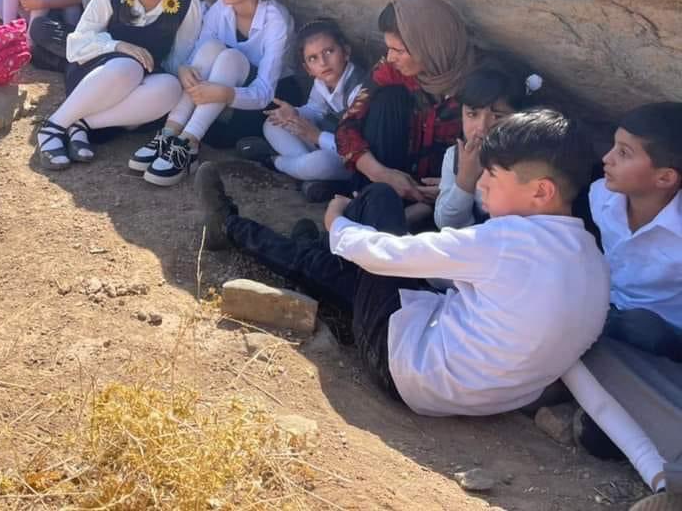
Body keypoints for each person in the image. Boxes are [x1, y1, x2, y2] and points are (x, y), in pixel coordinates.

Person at [195, 109, 610, 417]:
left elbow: (387, 255)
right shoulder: (592, 258)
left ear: (540, 191)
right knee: (352, 277)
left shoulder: (507, 239)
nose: (481, 184)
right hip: (468, 389)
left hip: (406, 364)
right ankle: (239, 230)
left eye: (492, 177)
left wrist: (337, 222)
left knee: (379, 201)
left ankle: (264, 233)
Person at [131, 0, 298, 187]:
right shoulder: (221, 9)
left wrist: (226, 95)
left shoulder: (276, 20)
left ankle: (188, 143)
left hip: (261, 106)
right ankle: (171, 133)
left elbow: (265, 92)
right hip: (213, 100)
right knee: (211, 49)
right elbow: (200, 54)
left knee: (231, 57)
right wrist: (186, 69)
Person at [35, 0, 203, 170]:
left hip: (136, 95)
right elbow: (76, 45)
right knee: (128, 65)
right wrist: (119, 46)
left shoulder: (186, 5)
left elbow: (177, 60)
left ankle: (81, 124)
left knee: (171, 86)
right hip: (95, 76)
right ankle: (53, 126)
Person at [335, 0, 475, 213]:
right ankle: (374, 201)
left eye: (399, 50)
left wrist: (456, 185)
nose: (390, 57)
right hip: (389, 183)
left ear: (430, 46)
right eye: (389, 48)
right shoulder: (392, 71)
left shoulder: (479, 80)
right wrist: (382, 174)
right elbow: (346, 127)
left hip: (449, 197)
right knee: (388, 99)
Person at [236, 19, 367, 199]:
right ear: (308, 68)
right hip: (325, 145)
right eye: (313, 58)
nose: (323, 62)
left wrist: (317, 136)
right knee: (273, 124)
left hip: (355, 159)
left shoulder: (359, 89)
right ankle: (309, 176)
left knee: (321, 163)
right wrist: (294, 114)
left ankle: (277, 162)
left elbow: (358, 147)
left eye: (329, 51)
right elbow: (315, 111)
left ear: (346, 52)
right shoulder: (322, 82)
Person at [591, 102, 682, 362]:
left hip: (662, 333)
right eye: (613, 146)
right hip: (607, 306)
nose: (607, 158)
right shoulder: (601, 196)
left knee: (641, 326)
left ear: (664, 178)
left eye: (624, 153)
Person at [434, 65, 540, 230]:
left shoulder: (526, 162)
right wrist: (465, 179)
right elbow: (446, 224)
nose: (482, 127)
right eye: (472, 114)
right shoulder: (455, 156)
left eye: (497, 117)